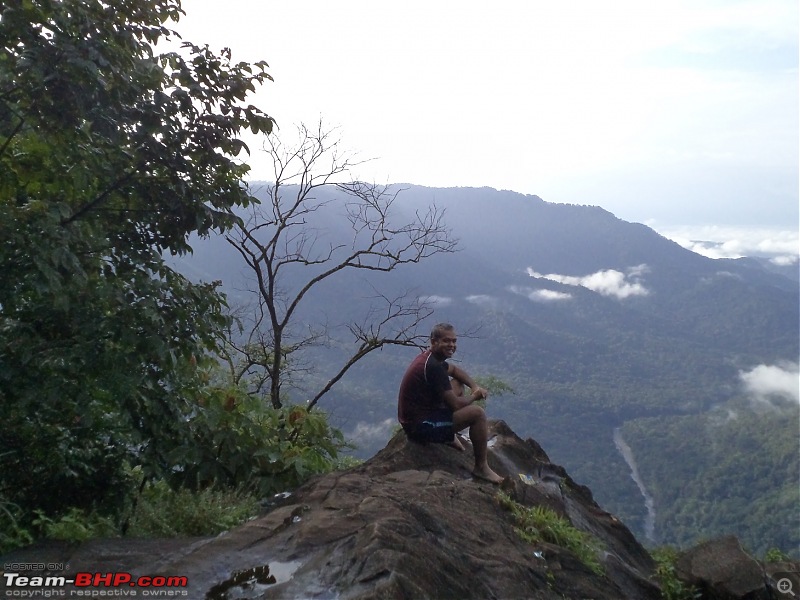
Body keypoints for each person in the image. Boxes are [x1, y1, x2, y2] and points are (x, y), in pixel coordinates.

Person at [398, 322, 504, 484]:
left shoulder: (431, 359)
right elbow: (455, 405)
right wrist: (475, 396)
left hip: (425, 412)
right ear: (433, 342)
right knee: (477, 414)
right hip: (419, 426)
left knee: (457, 384)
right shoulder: (433, 367)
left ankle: (447, 434)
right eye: (446, 341)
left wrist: (474, 385)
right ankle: (481, 468)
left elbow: (454, 371)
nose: (452, 345)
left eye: (454, 341)